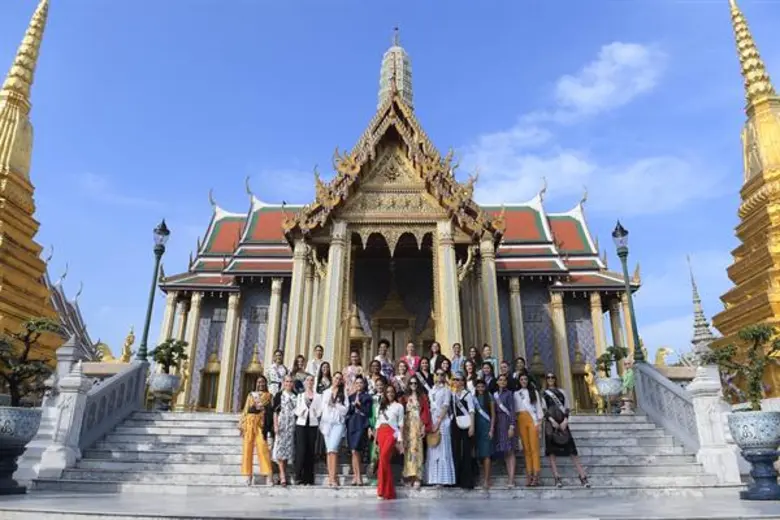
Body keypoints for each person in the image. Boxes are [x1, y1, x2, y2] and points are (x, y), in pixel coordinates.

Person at [542, 372, 590, 488]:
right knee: (552, 451)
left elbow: (567, 407)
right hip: (550, 423)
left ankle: (582, 475)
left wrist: (565, 421)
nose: (550, 379)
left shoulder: (562, 392)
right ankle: (557, 477)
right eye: (548, 377)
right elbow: (543, 409)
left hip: (563, 422)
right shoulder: (543, 394)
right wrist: (552, 421)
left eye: (552, 377)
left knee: (572, 450)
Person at [239, 376, 273, 486]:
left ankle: (268, 475)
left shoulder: (269, 396)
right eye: (259, 382)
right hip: (249, 423)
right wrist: (242, 425)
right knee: (247, 449)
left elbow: (270, 411)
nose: (261, 384)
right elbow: (245, 410)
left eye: (263, 382)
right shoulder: (251, 395)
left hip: (261, 424)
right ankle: (247, 475)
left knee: (263, 448)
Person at [375, 384, 404, 500]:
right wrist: (375, 440)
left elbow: (401, 424)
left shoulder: (399, 406)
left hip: (392, 433)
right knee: (383, 461)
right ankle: (387, 491)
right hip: (381, 432)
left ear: (395, 393)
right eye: (388, 392)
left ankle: (383, 490)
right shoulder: (381, 406)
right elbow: (377, 423)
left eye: (392, 392)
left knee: (383, 458)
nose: (390, 394)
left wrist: (400, 440)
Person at [426, 369, 455, 487]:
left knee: (443, 448)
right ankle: (433, 478)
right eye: (437, 374)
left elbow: (445, 406)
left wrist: (438, 422)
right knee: (433, 448)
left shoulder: (447, 390)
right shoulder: (431, 390)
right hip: (432, 419)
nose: (439, 376)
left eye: (442, 375)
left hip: (442, 421)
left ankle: (443, 479)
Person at [401, 375, 431, 488]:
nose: (413, 385)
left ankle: (418, 477)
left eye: (415, 383)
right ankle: (409, 476)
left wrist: (424, 426)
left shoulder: (422, 397)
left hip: (418, 424)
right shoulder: (405, 397)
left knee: (417, 450)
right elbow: (401, 412)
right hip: (407, 425)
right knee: (408, 450)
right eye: (411, 383)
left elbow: (425, 413)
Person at [320, 372, 348, 488]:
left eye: (340, 379)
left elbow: (345, 410)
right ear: (332, 379)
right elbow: (322, 408)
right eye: (336, 378)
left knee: (333, 449)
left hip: (338, 423)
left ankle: (333, 477)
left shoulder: (343, 393)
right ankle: (331, 477)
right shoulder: (326, 392)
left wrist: (335, 404)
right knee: (329, 450)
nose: (337, 380)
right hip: (327, 424)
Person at [515, 373, 543, 486]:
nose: (523, 381)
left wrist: (539, 423)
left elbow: (538, 408)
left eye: (525, 379)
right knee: (526, 449)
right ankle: (529, 475)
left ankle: (536, 475)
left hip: (532, 420)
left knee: (534, 448)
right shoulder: (516, 394)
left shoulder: (534, 392)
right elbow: (516, 411)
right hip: (521, 419)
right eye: (521, 379)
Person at [294, 374, 321, 486]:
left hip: (312, 424)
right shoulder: (300, 396)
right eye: (308, 380)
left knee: (310, 450)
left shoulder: (318, 396)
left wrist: (315, 413)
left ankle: (309, 478)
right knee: (301, 450)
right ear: (304, 382)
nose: (310, 382)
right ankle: (298, 476)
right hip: (301, 423)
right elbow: (296, 409)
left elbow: (320, 409)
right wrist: (302, 412)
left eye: (312, 380)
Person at [451, 371, 476, 489]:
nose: (456, 382)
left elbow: (471, 411)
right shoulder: (452, 394)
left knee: (466, 451)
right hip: (455, 424)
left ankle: (467, 481)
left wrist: (472, 426)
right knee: (456, 451)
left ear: (463, 381)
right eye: (454, 380)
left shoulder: (467, 394)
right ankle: (457, 479)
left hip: (466, 424)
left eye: (459, 379)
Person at [346, 375, 372, 486]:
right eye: (357, 383)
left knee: (357, 450)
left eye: (361, 383)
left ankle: (359, 476)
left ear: (364, 384)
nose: (359, 385)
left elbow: (368, 412)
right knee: (353, 451)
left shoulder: (367, 397)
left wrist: (360, 405)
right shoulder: (350, 397)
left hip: (361, 425)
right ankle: (355, 477)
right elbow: (348, 411)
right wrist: (352, 406)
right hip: (352, 425)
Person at [272, 375, 296, 487]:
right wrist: (276, 425)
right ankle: (282, 475)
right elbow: (275, 412)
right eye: (287, 381)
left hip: (291, 426)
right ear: (283, 383)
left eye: (291, 381)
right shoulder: (279, 395)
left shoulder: (296, 396)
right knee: (281, 450)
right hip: (281, 425)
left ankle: (284, 472)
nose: (289, 383)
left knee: (288, 450)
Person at [493, 373, 517, 487]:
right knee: (505, 451)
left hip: (507, 422)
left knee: (510, 450)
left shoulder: (509, 394)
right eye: (500, 380)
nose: (502, 382)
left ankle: (511, 479)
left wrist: (512, 426)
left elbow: (512, 410)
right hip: (499, 424)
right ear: (497, 382)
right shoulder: (495, 395)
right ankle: (509, 477)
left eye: (504, 380)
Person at [472, 378, 495, 489]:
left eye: (482, 386)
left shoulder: (489, 397)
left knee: (486, 454)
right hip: (476, 427)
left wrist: (491, 429)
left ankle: (487, 480)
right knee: (478, 454)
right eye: (478, 386)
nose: (480, 388)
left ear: (485, 387)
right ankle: (480, 478)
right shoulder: (473, 398)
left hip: (486, 427)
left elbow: (493, 415)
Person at [367, 376, 387, 485]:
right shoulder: (372, 398)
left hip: (384, 428)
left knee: (382, 453)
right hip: (374, 427)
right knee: (373, 452)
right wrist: (370, 427)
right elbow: (369, 414)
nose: (379, 387)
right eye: (377, 385)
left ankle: (382, 477)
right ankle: (374, 478)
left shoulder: (387, 398)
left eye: (381, 385)